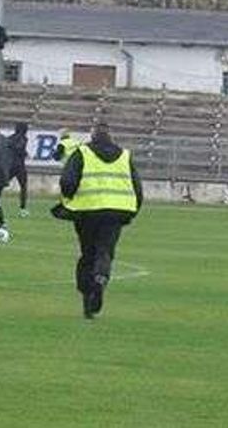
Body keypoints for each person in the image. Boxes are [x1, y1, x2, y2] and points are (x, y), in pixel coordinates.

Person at [54, 123, 143, 319]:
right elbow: (137, 187)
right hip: (117, 211)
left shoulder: (82, 153)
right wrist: (133, 210)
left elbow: (67, 181)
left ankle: (87, 299)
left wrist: (70, 199)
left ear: (92, 136)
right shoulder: (125, 155)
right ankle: (101, 279)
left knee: (87, 253)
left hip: (87, 211)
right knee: (105, 250)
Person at [7, 121, 30, 217]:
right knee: (23, 187)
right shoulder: (24, 138)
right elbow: (19, 148)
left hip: (10, 166)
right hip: (19, 166)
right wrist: (25, 153)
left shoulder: (10, 138)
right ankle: (23, 208)